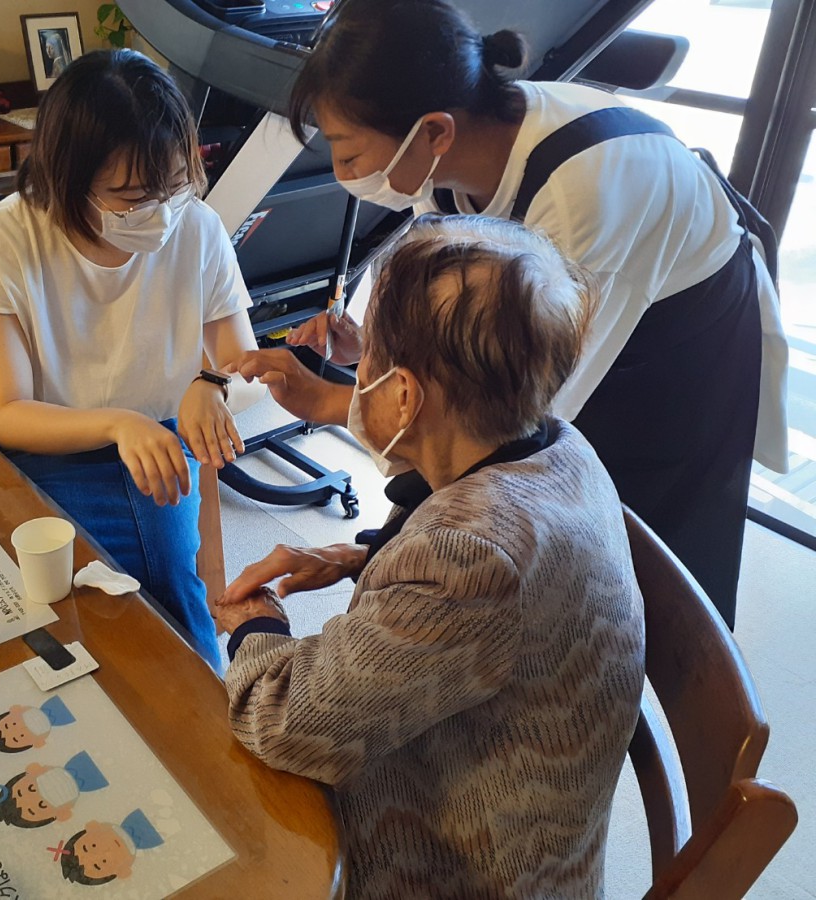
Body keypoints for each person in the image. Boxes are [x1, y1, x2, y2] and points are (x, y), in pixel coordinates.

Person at [241, 0, 787, 629]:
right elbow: (457, 338)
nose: (344, 175)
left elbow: (507, 422)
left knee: (633, 553)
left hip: (679, 338)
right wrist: (372, 356)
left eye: (347, 152)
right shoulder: (451, 163)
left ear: (434, 131)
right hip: (587, 303)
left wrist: (336, 405)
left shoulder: (583, 198)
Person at [216, 216, 645, 898]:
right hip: (527, 816)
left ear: (404, 396)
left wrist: (254, 624)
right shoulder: (560, 447)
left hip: (463, 872)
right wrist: (363, 555)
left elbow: (284, 721)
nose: (357, 377)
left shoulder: (467, 559)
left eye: (368, 361)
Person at [0, 50, 262, 668]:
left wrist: (211, 381)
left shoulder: (197, 227)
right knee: (64, 615)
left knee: (173, 598)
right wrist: (119, 423)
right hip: (49, 451)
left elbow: (244, 362)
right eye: (129, 196)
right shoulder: (1, 238)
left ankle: (208, 705)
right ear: (67, 178)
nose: (159, 213)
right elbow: (5, 412)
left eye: (174, 186)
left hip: (163, 444)